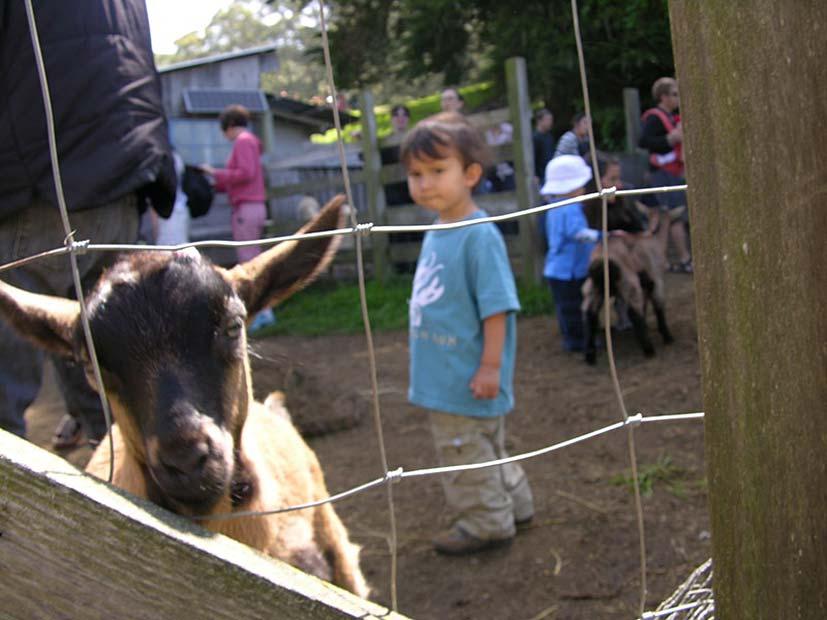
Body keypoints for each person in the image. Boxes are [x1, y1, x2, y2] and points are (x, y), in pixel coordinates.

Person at [0, 0, 176, 445]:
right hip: (122, 184)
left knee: (5, 402)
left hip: (35, 191)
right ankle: (118, 500)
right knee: (107, 387)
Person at [401, 112, 534, 555]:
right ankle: (515, 506)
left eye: (438, 171)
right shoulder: (438, 232)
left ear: (471, 174)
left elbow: (498, 307)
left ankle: (486, 523)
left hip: (468, 377)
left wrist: (490, 367)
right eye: (416, 174)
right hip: (448, 375)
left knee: (463, 453)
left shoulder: (478, 236)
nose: (425, 183)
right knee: (486, 447)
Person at [201, 104, 275, 332]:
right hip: (253, 206)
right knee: (252, 257)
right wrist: (219, 184)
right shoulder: (251, 142)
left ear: (230, 126)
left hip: (246, 209)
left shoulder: (243, 142)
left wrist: (216, 173)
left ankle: (262, 312)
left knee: (249, 261)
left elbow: (245, 174)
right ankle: (263, 311)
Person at [540, 155, 603, 352]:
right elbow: (578, 233)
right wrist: (602, 235)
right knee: (573, 306)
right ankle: (577, 341)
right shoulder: (569, 208)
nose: (584, 189)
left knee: (567, 307)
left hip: (560, 269)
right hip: (568, 270)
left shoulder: (554, 206)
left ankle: (573, 337)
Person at [639, 77, 692, 273]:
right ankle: (669, 260)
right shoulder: (655, 117)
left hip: (672, 172)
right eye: (675, 94)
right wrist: (669, 139)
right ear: (663, 97)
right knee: (668, 217)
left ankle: (672, 259)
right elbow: (643, 142)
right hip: (662, 174)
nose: (678, 99)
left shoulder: (671, 117)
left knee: (672, 216)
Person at [532, 108, 556, 186]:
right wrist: (534, 174)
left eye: (550, 120)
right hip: (540, 176)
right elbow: (532, 158)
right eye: (547, 120)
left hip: (550, 174)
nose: (550, 122)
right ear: (539, 121)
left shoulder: (549, 137)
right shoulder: (535, 137)